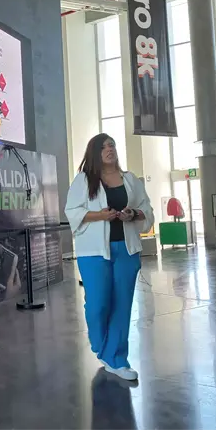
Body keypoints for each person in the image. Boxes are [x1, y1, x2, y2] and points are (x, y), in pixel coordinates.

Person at [65, 133, 154, 381]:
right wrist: (100, 216)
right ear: (95, 153)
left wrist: (132, 214)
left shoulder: (130, 180)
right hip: (93, 252)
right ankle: (101, 346)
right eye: (103, 147)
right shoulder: (84, 180)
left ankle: (117, 359)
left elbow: (146, 210)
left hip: (126, 250)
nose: (109, 149)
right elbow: (72, 211)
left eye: (112, 145)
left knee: (122, 305)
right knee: (98, 304)